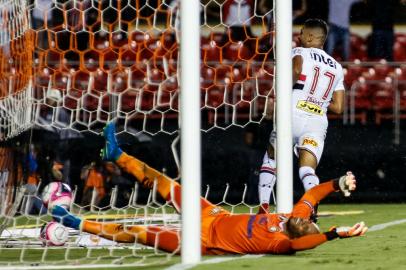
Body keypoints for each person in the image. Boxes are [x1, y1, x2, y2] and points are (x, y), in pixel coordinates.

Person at [52, 122, 367, 255]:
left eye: (309, 226)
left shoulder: (282, 243)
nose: (308, 220)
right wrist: (338, 184)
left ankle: (74, 221)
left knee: (136, 231)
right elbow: (311, 195)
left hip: (202, 240)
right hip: (212, 214)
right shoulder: (292, 215)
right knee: (164, 182)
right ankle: (116, 154)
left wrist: (332, 234)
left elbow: (302, 246)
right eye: (311, 220)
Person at [258, 19, 345, 214]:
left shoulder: (299, 52)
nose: (298, 35)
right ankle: (311, 208)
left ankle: (263, 207)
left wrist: (282, 93)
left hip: (292, 113)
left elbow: (296, 70)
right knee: (307, 169)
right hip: (317, 121)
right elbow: (339, 107)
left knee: (272, 158)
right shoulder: (337, 67)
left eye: (302, 32)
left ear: (311, 37)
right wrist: (317, 100)